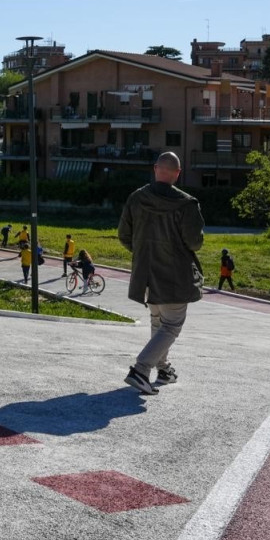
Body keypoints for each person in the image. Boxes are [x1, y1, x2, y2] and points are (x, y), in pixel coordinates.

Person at [118, 151, 205, 395]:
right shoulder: (187, 203)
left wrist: (143, 252)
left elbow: (124, 235)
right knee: (171, 326)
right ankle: (141, 369)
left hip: (145, 275)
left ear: (156, 169)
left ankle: (164, 369)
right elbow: (195, 243)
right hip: (174, 275)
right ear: (177, 174)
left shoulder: (136, 198)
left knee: (158, 323)